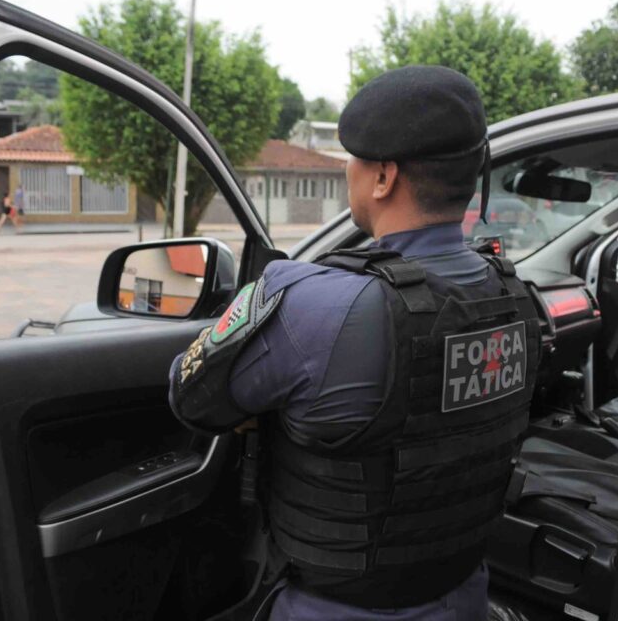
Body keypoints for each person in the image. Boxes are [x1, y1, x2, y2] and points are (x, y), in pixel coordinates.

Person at [168, 66, 542, 619]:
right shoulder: (516, 300)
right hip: (467, 598)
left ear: (384, 177)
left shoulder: (312, 303)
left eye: (354, 161)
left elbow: (191, 396)